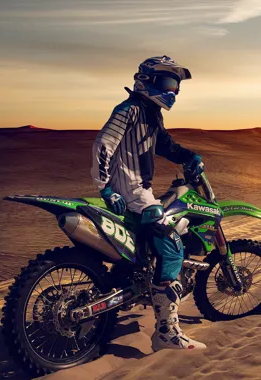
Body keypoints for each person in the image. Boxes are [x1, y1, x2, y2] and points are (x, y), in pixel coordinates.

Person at [90, 55, 206, 351]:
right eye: (169, 83)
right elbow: (103, 144)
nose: (173, 91)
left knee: (146, 251)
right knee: (172, 248)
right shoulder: (129, 110)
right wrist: (105, 188)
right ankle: (166, 332)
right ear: (148, 80)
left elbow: (165, 145)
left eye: (177, 87)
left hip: (139, 192)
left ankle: (132, 287)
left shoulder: (151, 113)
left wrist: (189, 156)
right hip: (131, 192)